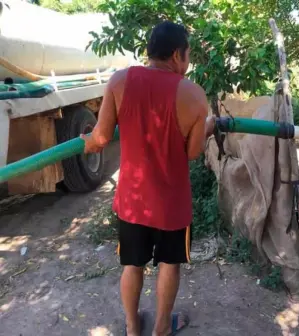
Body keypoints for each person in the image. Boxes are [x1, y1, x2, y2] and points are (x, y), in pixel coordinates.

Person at [81, 21, 216, 336]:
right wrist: (207, 126)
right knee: (170, 263)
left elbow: (100, 137)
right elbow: (193, 152)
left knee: (133, 264)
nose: (188, 62)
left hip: (133, 201)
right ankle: (160, 329)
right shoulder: (194, 95)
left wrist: (87, 142)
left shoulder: (119, 82)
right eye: (187, 55)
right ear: (176, 55)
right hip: (171, 203)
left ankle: (131, 328)